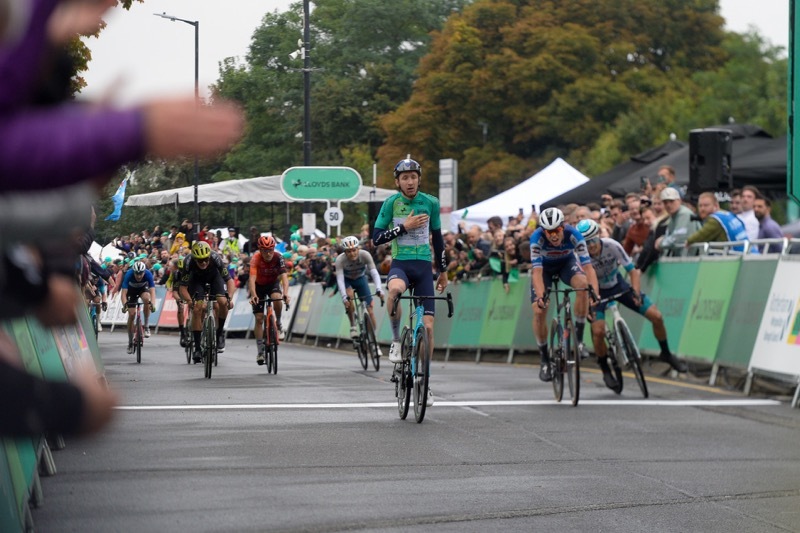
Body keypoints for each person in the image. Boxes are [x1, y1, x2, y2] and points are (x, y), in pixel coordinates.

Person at [372, 157, 448, 406]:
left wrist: (443, 271)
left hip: (425, 267)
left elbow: (438, 240)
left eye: (413, 177)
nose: (410, 181)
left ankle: (424, 382)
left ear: (419, 179)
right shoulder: (391, 203)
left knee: (427, 327)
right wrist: (403, 227)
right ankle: (395, 341)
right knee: (394, 290)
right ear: (398, 182)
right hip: (401, 264)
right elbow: (376, 238)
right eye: (405, 177)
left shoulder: (431, 203)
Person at [577, 220, 687, 383]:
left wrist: (635, 292)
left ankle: (666, 353)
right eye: (586, 243)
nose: (590, 246)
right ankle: (605, 367)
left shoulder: (612, 246)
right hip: (596, 292)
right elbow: (582, 286)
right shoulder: (579, 256)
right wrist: (587, 308)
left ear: (599, 235)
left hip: (618, 286)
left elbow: (633, 271)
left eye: (592, 240)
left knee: (656, 316)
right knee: (598, 332)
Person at [529, 207, 599, 382]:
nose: (553, 235)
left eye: (557, 230)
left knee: (583, 286)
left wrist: (594, 293)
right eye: (549, 231)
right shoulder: (536, 238)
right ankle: (545, 359)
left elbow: (588, 268)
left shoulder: (574, 234)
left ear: (563, 226)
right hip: (544, 270)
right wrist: (540, 297)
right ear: (543, 230)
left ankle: (580, 339)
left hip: (566, 264)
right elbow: (537, 273)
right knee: (539, 312)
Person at [179, 241, 235, 363]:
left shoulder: (216, 258)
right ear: (195, 259)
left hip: (215, 278)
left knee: (222, 301)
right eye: (200, 261)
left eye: (205, 259)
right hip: (196, 280)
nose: (203, 262)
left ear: (209, 256)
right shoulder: (188, 262)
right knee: (198, 307)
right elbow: (183, 288)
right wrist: (189, 301)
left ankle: (219, 334)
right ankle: (198, 348)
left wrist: (230, 298)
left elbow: (230, 281)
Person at [247, 235, 290, 365]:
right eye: (265, 250)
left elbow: (284, 278)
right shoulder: (255, 258)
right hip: (259, 286)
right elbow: (252, 279)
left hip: (272, 284)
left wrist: (286, 293)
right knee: (259, 318)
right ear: (260, 250)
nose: (268, 253)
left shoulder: (278, 257)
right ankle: (260, 352)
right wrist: (253, 294)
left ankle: (279, 323)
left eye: (270, 249)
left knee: (277, 298)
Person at [335, 235, 385, 346]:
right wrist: (344, 297)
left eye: (354, 250)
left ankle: (373, 340)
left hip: (361, 279)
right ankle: (353, 325)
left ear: (358, 248)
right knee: (349, 296)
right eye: (348, 251)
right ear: (345, 252)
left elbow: (374, 272)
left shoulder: (365, 255)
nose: (352, 253)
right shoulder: (340, 260)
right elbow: (340, 280)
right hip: (347, 281)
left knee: (370, 312)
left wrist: (379, 289)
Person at [119, 260, 156, 353]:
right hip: (131, 292)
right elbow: (123, 294)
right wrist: (124, 306)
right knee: (132, 314)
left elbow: (152, 291)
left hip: (142, 290)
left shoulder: (148, 274)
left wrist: (153, 304)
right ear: (133, 272)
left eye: (141, 274)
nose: (139, 276)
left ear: (144, 272)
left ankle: (146, 326)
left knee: (147, 298)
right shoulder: (128, 274)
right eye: (137, 274)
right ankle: (130, 342)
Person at [655, 188, 701, 256]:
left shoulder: (684, 214)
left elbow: (678, 239)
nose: (668, 205)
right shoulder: (673, 216)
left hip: (691, 259)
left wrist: (661, 243)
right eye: (665, 202)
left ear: (679, 201)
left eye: (671, 201)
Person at [166, 256, 189, 348]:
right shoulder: (176, 274)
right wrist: (179, 300)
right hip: (179, 289)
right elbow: (173, 289)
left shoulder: (191, 272)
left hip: (190, 288)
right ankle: (182, 332)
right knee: (181, 307)